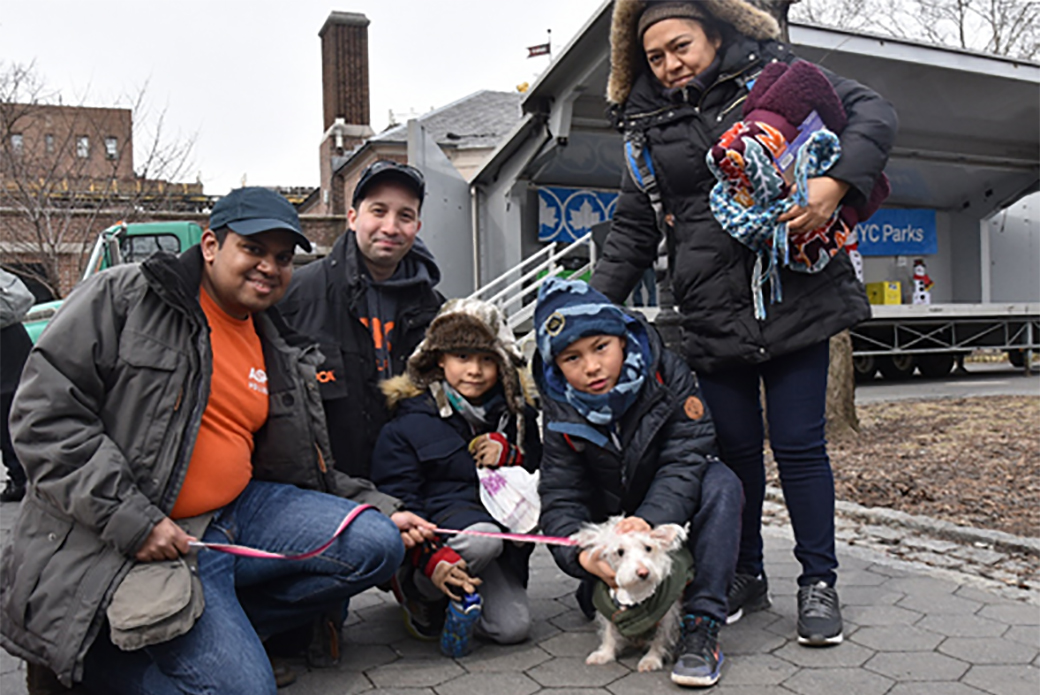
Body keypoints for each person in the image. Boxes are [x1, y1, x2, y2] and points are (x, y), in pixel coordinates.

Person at [1, 187, 435, 695]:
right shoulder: (126, 297)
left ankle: (223, 626)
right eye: (252, 249)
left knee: (375, 543)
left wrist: (380, 507)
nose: (269, 267)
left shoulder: (276, 340)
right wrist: (134, 520)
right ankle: (97, 661)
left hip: (238, 517)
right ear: (211, 245)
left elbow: (304, 466)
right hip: (145, 533)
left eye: (282, 257)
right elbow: (43, 418)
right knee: (245, 690)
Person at [590, 0, 898, 647]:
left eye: (682, 46)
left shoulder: (775, 76)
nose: (672, 64)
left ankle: (818, 581)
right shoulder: (644, 129)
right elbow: (631, 234)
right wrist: (586, 310)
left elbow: (873, 110)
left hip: (793, 299)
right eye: (655, 56)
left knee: (800, 447)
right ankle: (745, 572)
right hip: (707, 314)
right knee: (732, 459)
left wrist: (837, 183)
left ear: (715, 34)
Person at [534, 277, 743, 688]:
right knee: (595, 591)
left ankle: (701, 622)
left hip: (663, 507)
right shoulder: (559, 409)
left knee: (722, 483)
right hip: (612, 528)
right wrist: (581, 559)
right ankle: (612, 598)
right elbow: (560, 494)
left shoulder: (668, 374)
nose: (591, 367)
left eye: (600, 348)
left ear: (623, 339)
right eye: (571, 358)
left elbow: (687, 456)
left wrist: (649, 518)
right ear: (554, 366)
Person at [371, 298, 542, 655]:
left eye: (487, 359)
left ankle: (465, 596)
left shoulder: (517, 415)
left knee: (513, 628)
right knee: (483, 539)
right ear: (439, 359)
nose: (475, 371)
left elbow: (540, 470)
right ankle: (417, 591)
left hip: (500, 545)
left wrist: (512, 453)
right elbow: (399, 500)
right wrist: (429, 557)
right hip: (441, 540)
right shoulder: (409, 419)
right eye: (462, 357)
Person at [279, 160, 443, 479]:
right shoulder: (298, 296)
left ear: (417, 227)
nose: (391, 227)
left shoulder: (437, 311)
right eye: (378, 211)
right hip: (327, 487)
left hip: (413, 486)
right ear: (353, 218)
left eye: (405, 216)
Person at [0, 268, 34, 502]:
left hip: (6, 359)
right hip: (16, 352)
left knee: (6, 423)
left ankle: (21, 479)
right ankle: (23, 477)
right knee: (14, 419)